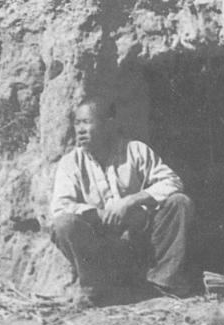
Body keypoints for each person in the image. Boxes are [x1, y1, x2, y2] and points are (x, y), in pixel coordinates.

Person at [50, 96, 195, 305]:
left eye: (87, 122)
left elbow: (172, 181)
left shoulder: (136, 150)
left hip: (141, 245)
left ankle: (163, 283)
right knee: (64, 224)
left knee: (179, 202)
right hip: (102, 250)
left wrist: (131, 201)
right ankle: (96, 290)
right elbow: (61, 206)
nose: (80, 129)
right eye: (77, 123)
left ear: (109, 124)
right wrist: (100, 214)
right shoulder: (71, 163)